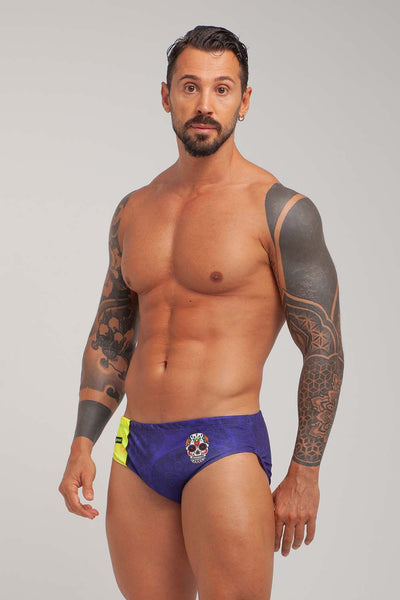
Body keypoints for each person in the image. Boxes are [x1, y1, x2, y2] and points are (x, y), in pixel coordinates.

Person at [59, 25, 344, 600]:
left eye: (222, 89)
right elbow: (111, 336)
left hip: (224, 443)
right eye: (190, 87)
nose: (205, 105)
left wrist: (305, 472)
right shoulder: (134, 210)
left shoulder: (280, 210)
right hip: (136, 446)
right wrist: (83, 442)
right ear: (167, 96)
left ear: (245, 100)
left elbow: (323, 345)